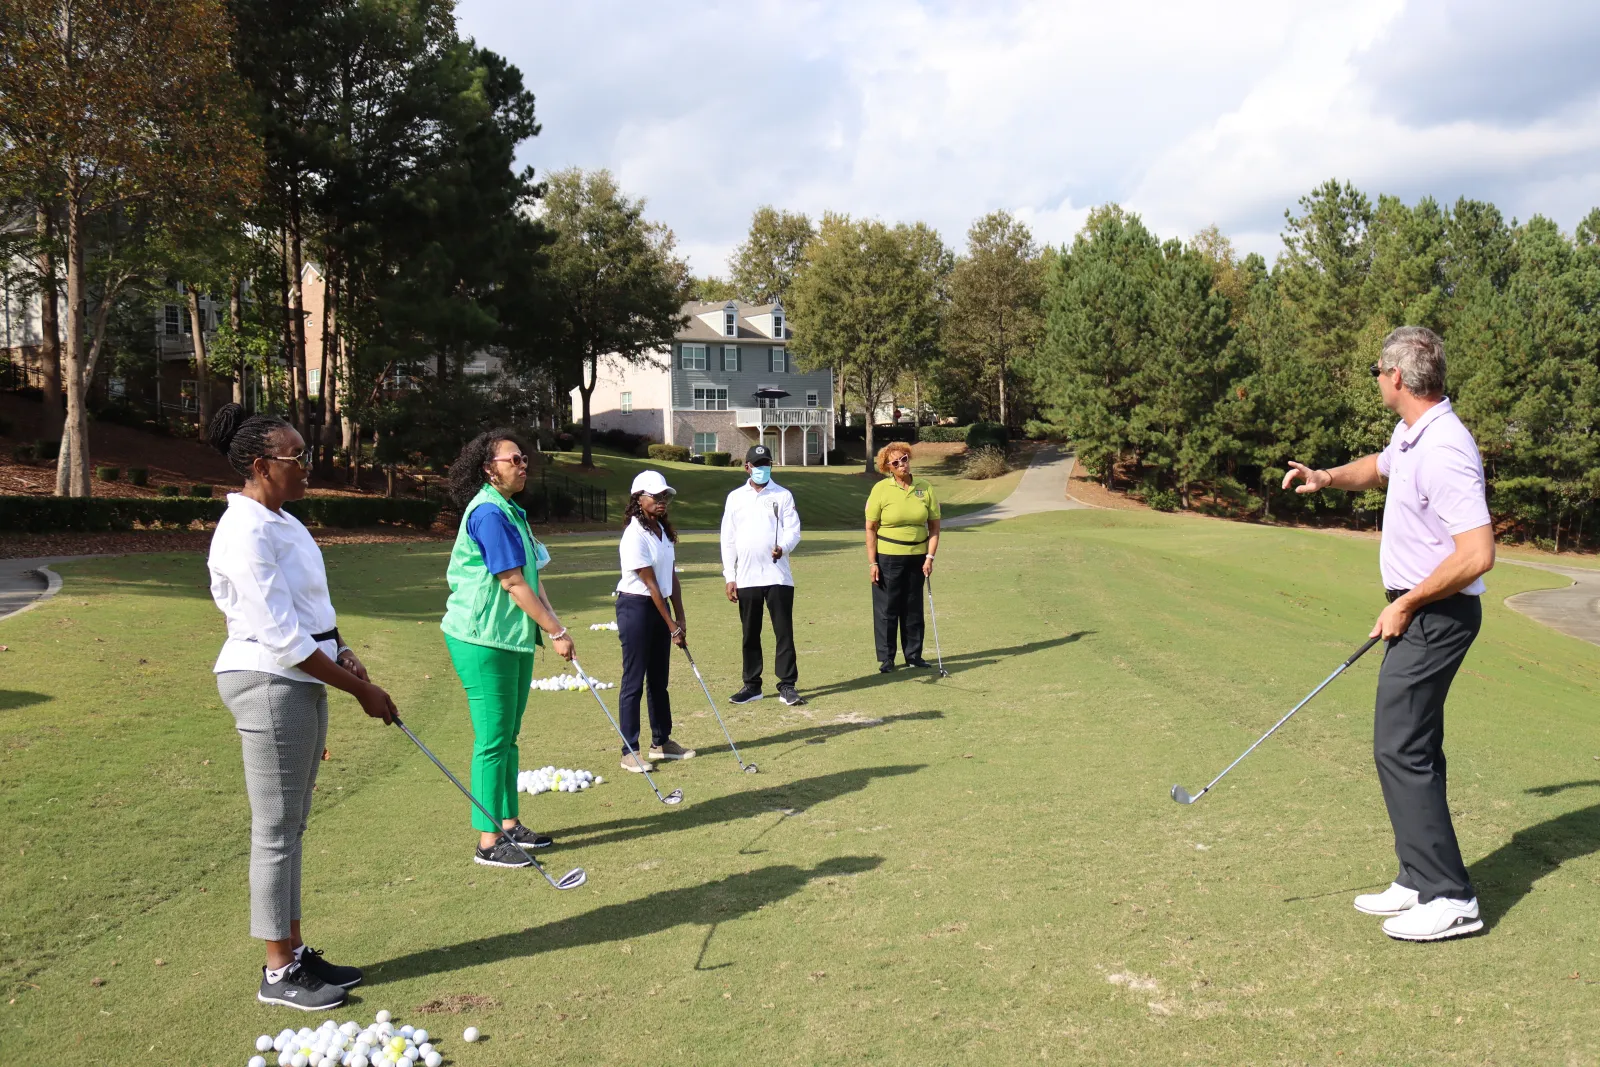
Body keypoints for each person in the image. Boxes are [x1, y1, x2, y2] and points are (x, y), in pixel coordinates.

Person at [1283, 326, 1494, 942]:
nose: (1376, 377)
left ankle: (1453, 898)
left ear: (1398, 378)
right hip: (1421, 612)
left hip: (1438, 616)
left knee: (1399, 747)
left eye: (1378, 369)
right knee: (1411, 745)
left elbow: (1478, 553)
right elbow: (1378, 469)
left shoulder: (1445, 448)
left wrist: (1409, 603)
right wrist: (1326, 477)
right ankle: (1418, 877)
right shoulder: (1411, 435)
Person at [205, 403, 399, 1011]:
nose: (309, 465)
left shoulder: (284, 521)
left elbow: (311, 612)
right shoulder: (244, 531)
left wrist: (344, 652)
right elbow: (281, 637)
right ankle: (277, 971)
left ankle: (292, 948)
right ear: (261, 465)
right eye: (298, 457)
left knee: (291, 826)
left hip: (300, 679)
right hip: (267, 682)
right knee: (275, 831)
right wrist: (360, 692)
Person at [441, 429, 576, 869]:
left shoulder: (511, 510)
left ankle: (509, 823)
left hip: (511, 637)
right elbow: (512, 582)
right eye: (512, 459)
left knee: (508, 738)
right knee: (492, 741)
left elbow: (532, 577)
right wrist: (555, 633)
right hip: (481, 638)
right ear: (488, 469)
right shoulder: (488, 513)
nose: (522, 465)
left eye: (522, 459)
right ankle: (487, 842)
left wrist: (554, 624)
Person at [614, 470, 695, 771]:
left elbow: (669, 577)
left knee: (659, 680)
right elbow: (649, 585)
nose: (662, 501)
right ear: (639, 499)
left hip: (658, 607)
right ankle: (629, 750)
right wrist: (671, 624)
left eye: (665, 496)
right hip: (635, 608)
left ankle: (661, 742)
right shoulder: (633, 535)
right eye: (655, 496)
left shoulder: (662, 530)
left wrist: (681, 619)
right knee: (633, 681)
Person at [721, 443, 806, 706]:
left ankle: (787, 684)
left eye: (766, 464)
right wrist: (729, 576)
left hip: (777, 575)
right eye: (757, 465)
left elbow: (794, 530)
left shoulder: (782, 495)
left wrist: (784, 547)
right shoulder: (735, 497)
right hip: (746, 577)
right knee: (750, 633)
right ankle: (752, 685)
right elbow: (728, 538)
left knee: (783, 632)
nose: (762, 469)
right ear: (747, 467)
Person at [864, 441, 942, 673]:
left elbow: (935, 527)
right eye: (895, 462)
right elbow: (870, 527)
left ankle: (913, 655)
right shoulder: (881, 489)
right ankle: (887, 658)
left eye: (904, 459)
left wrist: (930, 557)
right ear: (888, 467)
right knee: (888, 608)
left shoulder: (924, 487)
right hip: (888, 556)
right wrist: (873, 562)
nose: (901, 465)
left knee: (913, 607)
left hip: (917, 556)